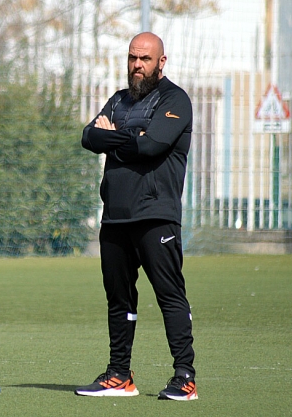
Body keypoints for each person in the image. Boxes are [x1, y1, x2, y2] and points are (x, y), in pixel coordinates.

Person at [75, 32, 197, 401]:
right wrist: (131, 136)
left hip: (155, 216)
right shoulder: (118, 100)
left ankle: (185, 376)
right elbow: (88, 137)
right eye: (132, 58)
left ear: (161, 62)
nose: (137, 66)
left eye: (144, 59)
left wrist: (118, 137)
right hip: (115, 217)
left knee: (169, 294)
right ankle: (119, 375)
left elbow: (153, 144)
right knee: (119, 299)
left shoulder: (176, 99)